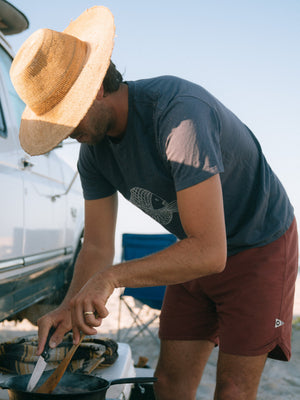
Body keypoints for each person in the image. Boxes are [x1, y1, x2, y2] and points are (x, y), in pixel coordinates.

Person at [10, 6, 298, 400]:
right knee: (169, 384)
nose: (65, 131)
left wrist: (111, 277)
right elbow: (96, 247)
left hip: (258, 246)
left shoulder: (179, 117)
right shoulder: (94, 152)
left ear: (94, 87)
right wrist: (69, 305)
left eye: (67, 117)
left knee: (231, 390)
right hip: (190, 249)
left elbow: (212, 253)